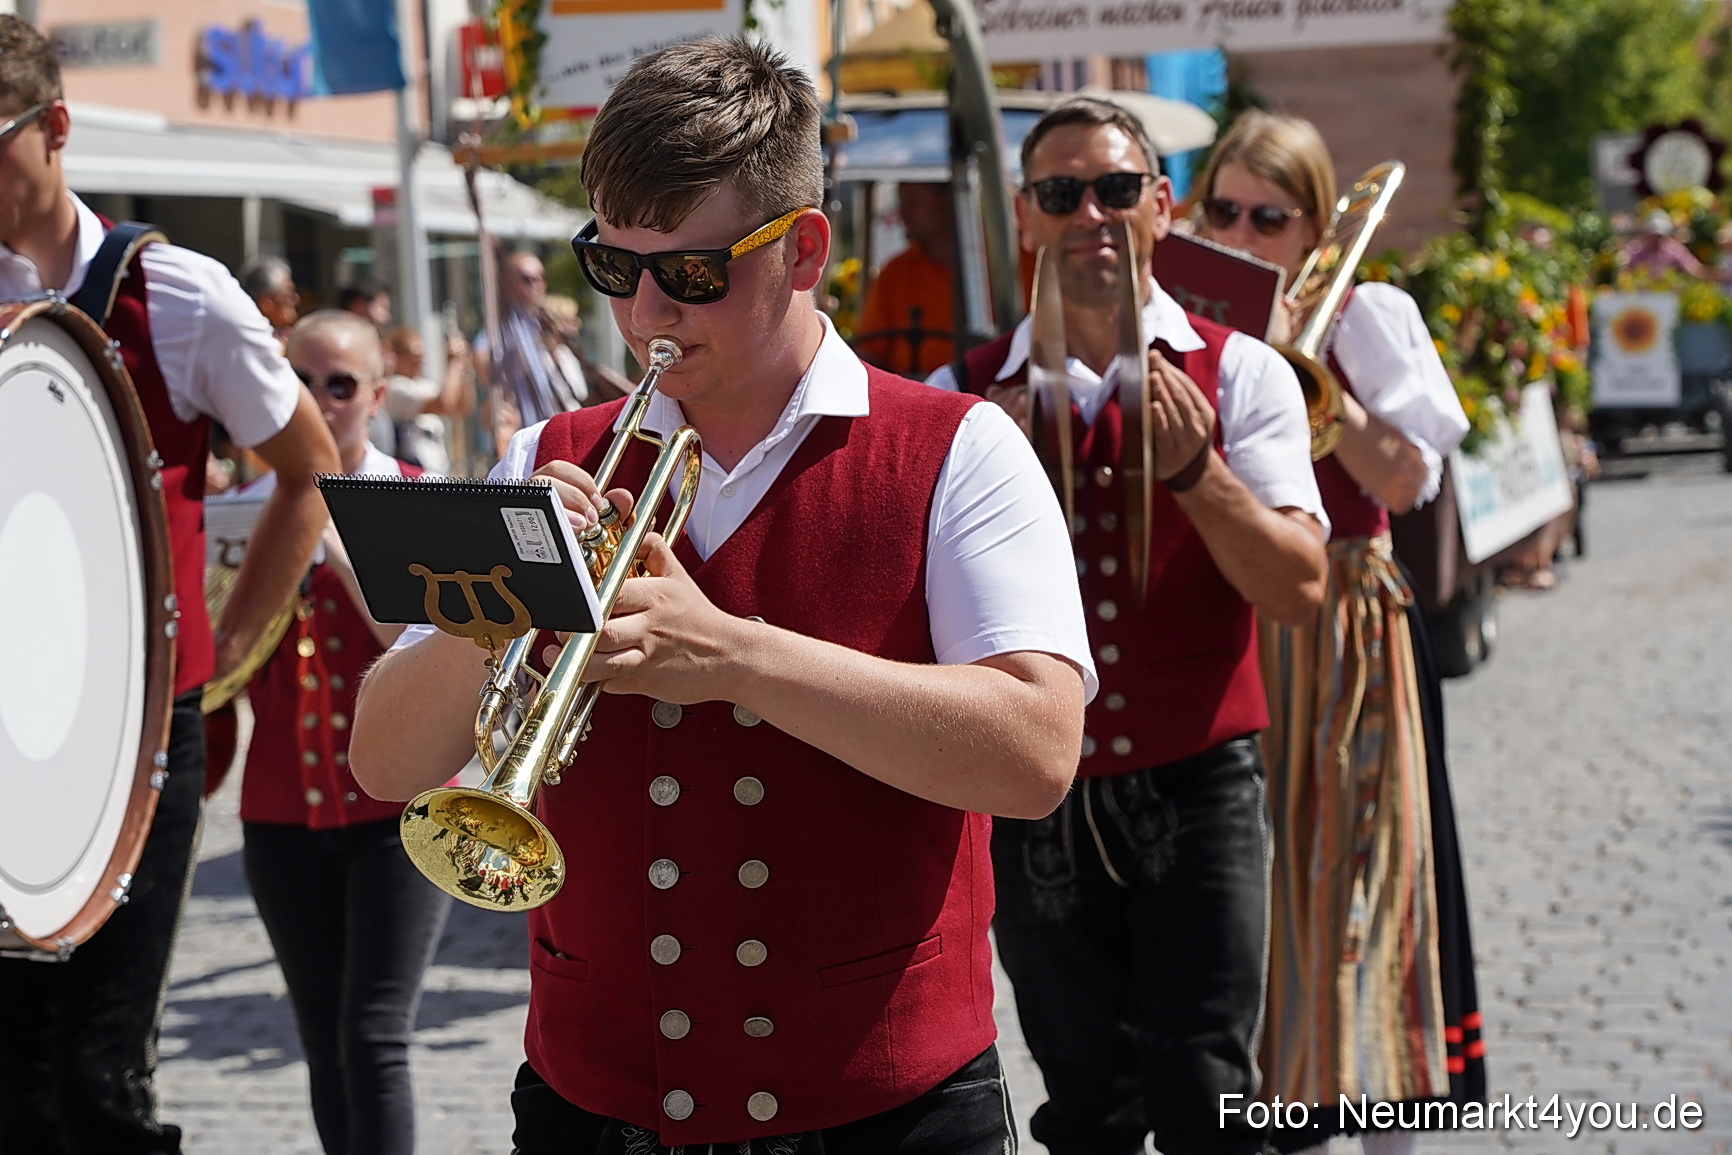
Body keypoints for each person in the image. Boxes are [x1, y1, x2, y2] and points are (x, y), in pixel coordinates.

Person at [350, 35, 1094, 1153]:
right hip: (599, 1108)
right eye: (614, 266)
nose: (648, 312)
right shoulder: (544, 454)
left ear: (803, 251)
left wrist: (739, 657)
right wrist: (493, 606)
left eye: (694, 274)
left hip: (882, 1113)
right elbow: (384, 763)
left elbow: (1036, 754)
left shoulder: (958, 448)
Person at [930, 95, 1329, 1155]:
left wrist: (1199, 474)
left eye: (1115, 189)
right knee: (1084, 1099)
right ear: (1025, 216)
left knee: (1207, 1085)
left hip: (1197, 778)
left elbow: (1297, 588)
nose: (1091, 215)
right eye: (1062, 195)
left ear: (1162, 204)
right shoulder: (958, 399)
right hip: (1035, 793)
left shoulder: (1240, 372)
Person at [0, 16, 341, 1154]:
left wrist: (227, 655)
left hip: (137, 737)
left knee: (103, 1068)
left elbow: (308, 471)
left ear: (54, 129)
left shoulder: (179, 292)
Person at [1194, 109, 1481, 1155]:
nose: (1240, 232)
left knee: (1355, 867)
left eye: (1267, 217)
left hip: (1342, 618)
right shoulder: (1184, 319)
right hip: (1229, 612)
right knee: (1246, 884)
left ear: (1315, 230)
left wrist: (1308, 377)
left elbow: (1408, 480)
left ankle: (1378, 1123)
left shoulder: (1362, 313)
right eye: (1221, 210)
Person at [238, 311, 452, 1155]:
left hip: (399, 811)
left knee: (374, 1033)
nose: (322, 404)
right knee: (324, 1041)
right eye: (304, 383)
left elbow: (427, 646)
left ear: (377, 395)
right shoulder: (251, 505)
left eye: (341, 386)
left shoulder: (419, 495)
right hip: (282, 808)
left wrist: (330, 544)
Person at [475, 250, 590, 454]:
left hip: (551, 433)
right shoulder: (501, 325)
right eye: (527, 279)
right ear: (509, 283)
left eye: (540, 278)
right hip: (520, 438)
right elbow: (481, 359)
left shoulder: (543, 322)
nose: (536, 285)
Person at [855, 182, 956, 377]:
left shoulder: (998, 268)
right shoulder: (895, 272)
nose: (903, 212)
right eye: (902, 202)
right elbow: (867, 354)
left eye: (913, 202)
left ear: (947, 201)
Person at [383, 324, 474, 473]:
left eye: (421, 354)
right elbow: (443, 403)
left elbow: (460, 408)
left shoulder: (423, 385)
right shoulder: (394, 387)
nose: (419, 359)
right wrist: (453, 362)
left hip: (437, 471)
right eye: (413, 354)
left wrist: (465, 368)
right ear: (397, 356)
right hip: (414, 473)